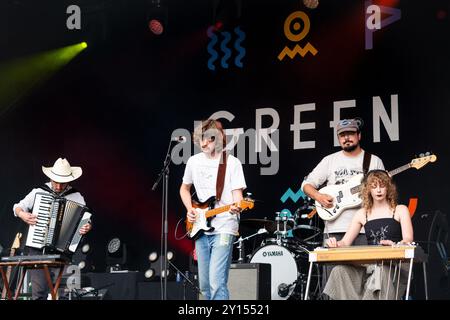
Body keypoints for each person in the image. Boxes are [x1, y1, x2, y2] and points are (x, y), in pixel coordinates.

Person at [179, 119, 247, 300]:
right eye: (201, 139)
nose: (203, 143)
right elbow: (184, 188)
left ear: (218, 139)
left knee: (217, 281)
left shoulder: (232, 163)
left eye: (208, 139)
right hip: (200, 227)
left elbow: (238, 197)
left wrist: (237, 207)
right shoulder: (193, 162)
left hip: (225, 226)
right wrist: (189, 209)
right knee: (204, 285)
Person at [322, 169, 414, 300]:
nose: (378, 190)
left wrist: (395, 245)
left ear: (389, 187)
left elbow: (408, 239)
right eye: (374, 186)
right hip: (369, 266)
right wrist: (334, 244)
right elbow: (344, 243)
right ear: (368, 190)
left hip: (394, 267)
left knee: (380, 272)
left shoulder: (400, 210)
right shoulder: (362, 213)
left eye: (382, 186)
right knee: (339, 271)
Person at [13, 157, 92, 300]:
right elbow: (18, 207)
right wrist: (23, 214)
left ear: (69, 180)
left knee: (66, 293)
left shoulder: (76, 196)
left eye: (63, 183)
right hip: (37, 251)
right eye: (56, 182)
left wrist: (87, 226)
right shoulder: (38, 191)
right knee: (39, 293)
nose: (58, 186)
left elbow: (85, 219)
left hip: (63, 254)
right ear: (51, 178)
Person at [301, 118, 385, 246]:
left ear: (359, 135)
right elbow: (306, 185)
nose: (346, 138)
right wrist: (319, 196)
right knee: (335, 267)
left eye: (350, 134)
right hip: (334, 228)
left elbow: (382, 196)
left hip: (365, 228)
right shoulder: (329, 160)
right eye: (342, 135)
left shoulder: (373, 161)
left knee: (368, 266)